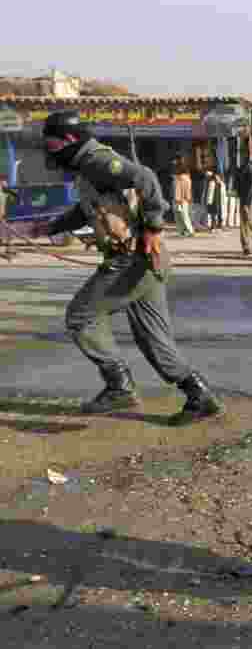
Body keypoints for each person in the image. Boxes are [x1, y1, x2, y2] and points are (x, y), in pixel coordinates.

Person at [27, 111, 224, 424]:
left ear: (68, 140)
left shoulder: (96, 161)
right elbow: (87, 209)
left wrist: (155, 226)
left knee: (81, 316)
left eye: (51, 144)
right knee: (154, 341)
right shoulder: (87, 165)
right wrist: (50, 227)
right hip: (146, 263)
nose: (49, 151)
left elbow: (145, 178)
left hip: (131, 260)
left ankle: (119, 386)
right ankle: (199, 395)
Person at [172, 157, 194, 237]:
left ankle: (187, 230)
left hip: (180, 199)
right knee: (182, 215)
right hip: (181, 198)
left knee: (182, 215)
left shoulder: (181, 178)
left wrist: (180, 198)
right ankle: (184, 230)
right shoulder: (185, 178)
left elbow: (181, 189)